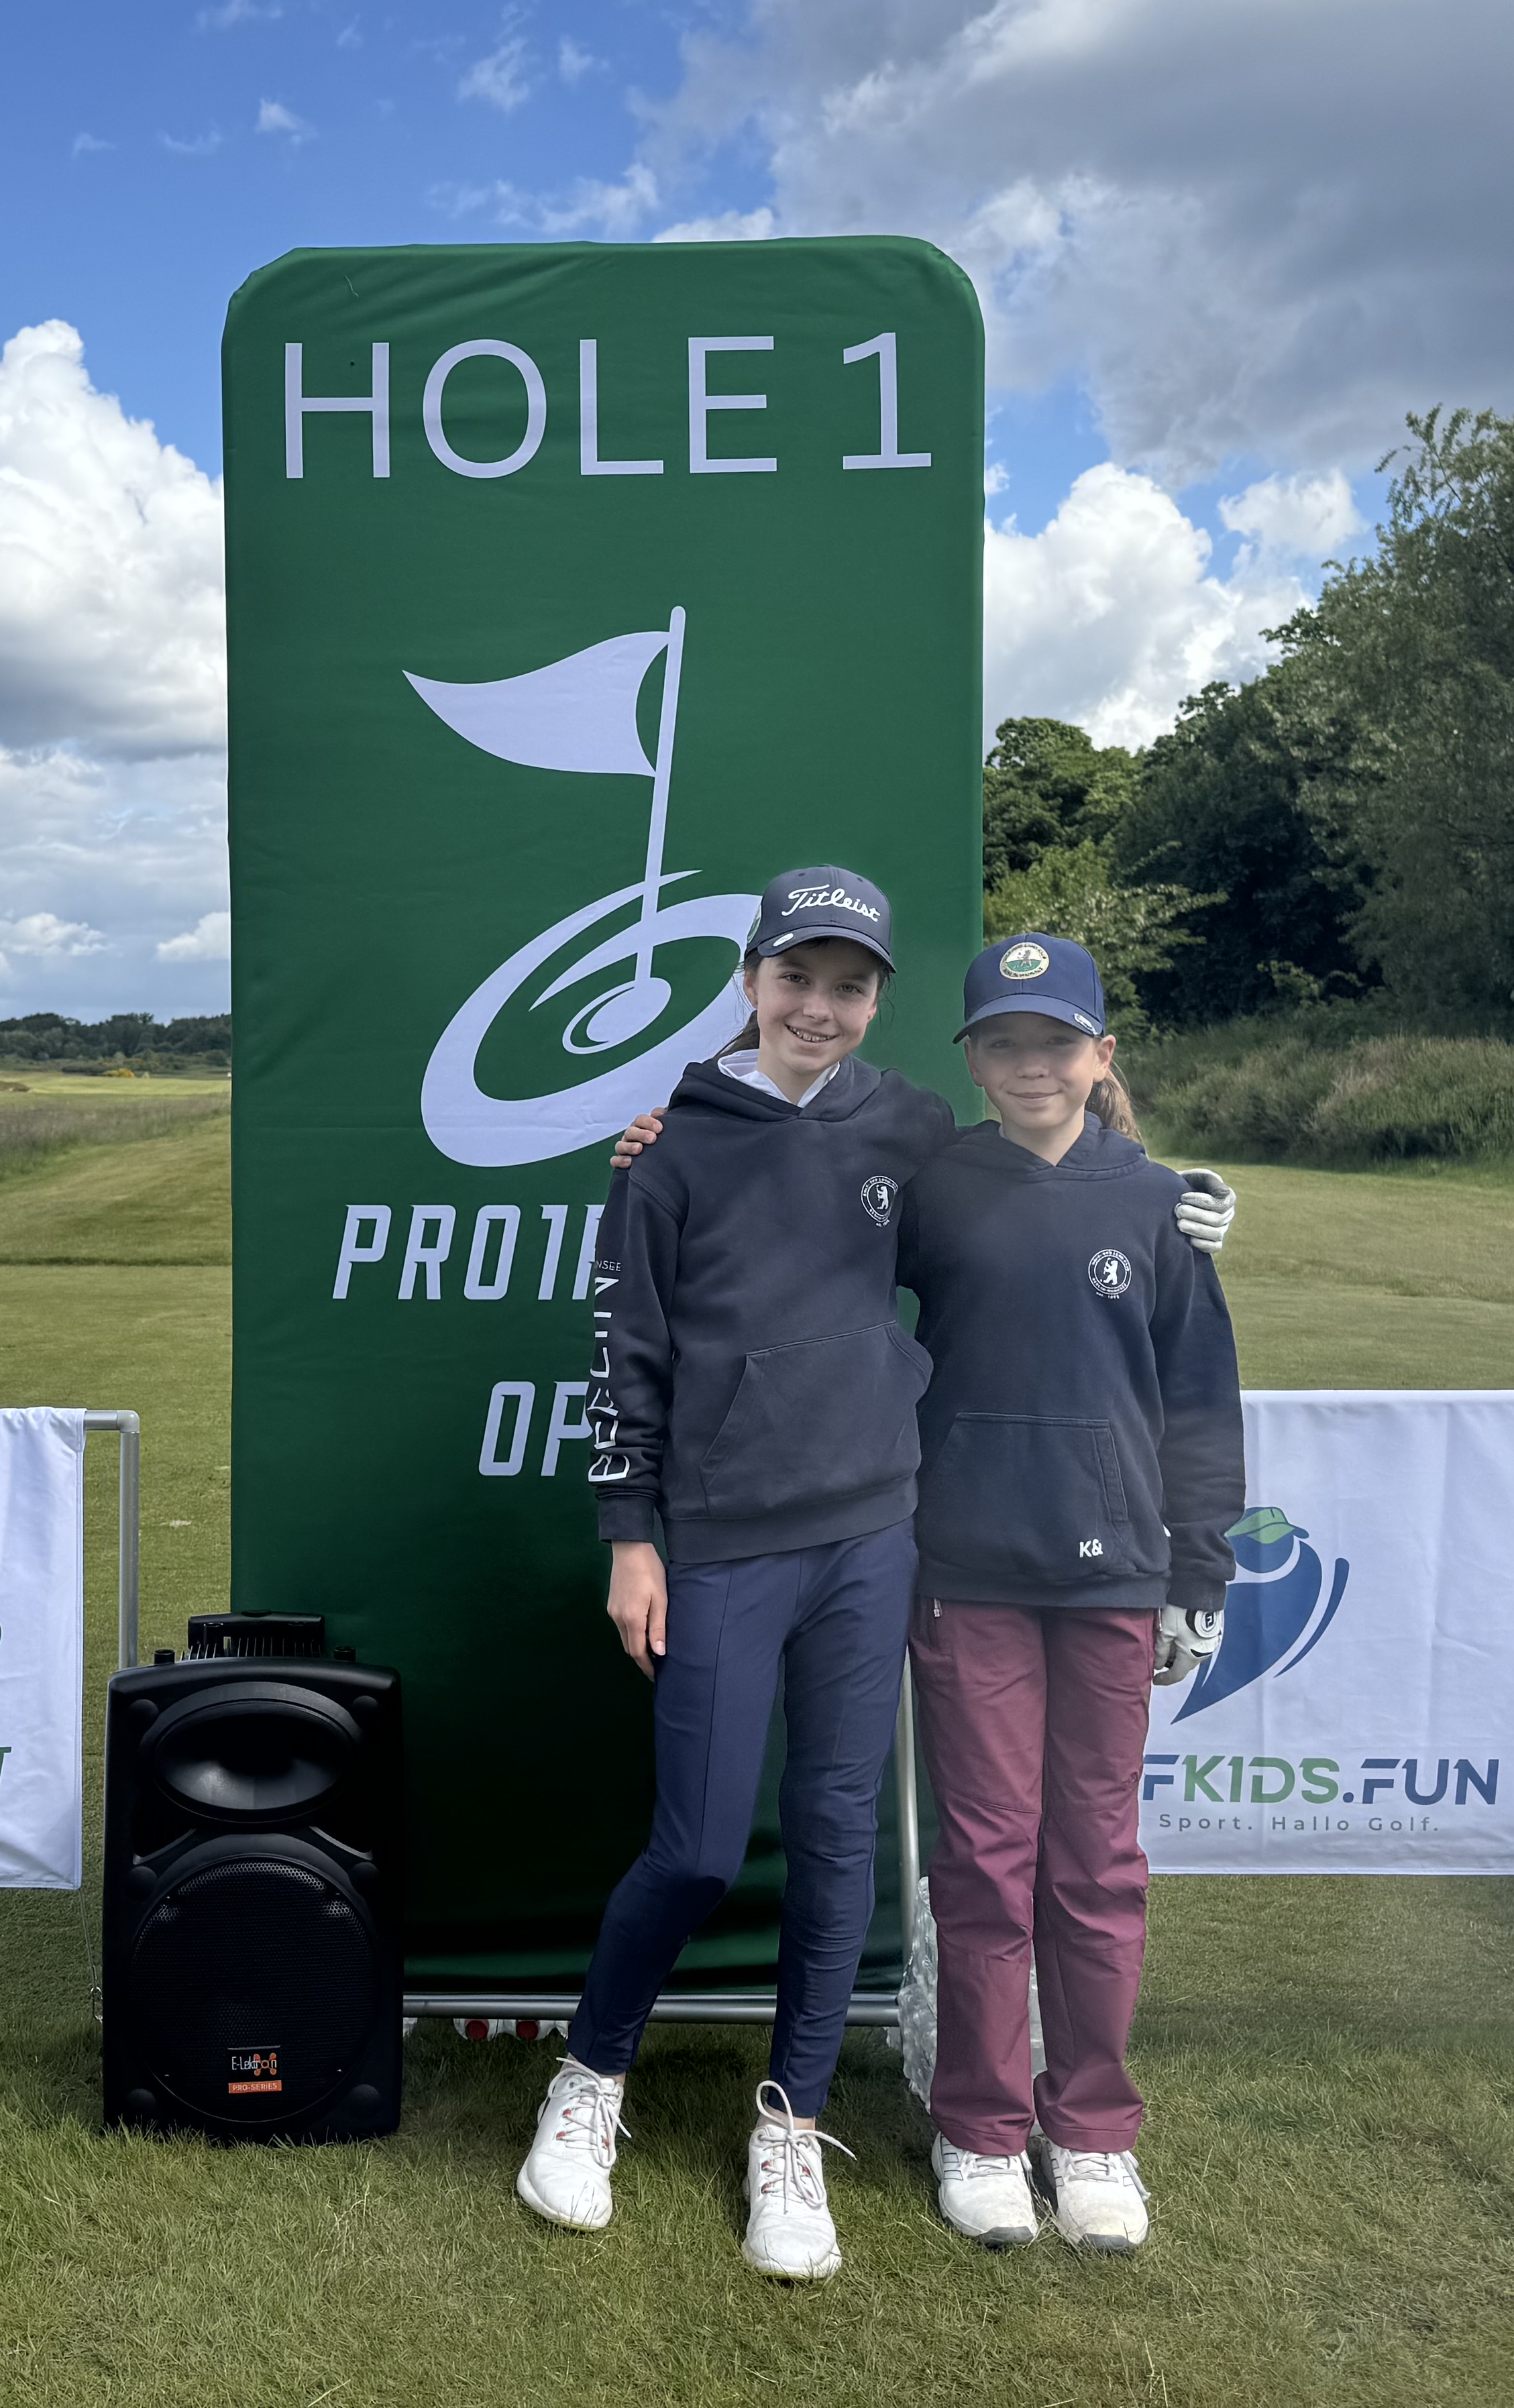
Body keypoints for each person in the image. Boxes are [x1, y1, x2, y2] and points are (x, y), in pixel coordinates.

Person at [508, 868, 1236, 2279]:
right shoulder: (667, 1147)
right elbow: (624, 1359)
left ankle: (794, 2121)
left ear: (879, 1002)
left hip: (876, 1537)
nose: (820, 1007)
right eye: (797, 978)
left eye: (849, 987)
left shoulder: (910, 1130)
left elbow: (1048, 1209)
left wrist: (1180, 1212)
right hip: (722, 1535)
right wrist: (630, 1536)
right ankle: (589, 2078)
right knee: (701, 1847)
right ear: (750, 980)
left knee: (839, 1838)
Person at [900, 932, 1241, 2256]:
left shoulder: (1159, 1206)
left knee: (1095, 1862)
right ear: (974, 1058)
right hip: (967, 1570)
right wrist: (664, 1141)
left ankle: (1091, 2129)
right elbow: (804, 1237)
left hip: (1115, 1579)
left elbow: (1200, 1407)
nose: (1030, 1064)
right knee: (986, 1860)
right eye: (1005, 1042)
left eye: (1056, 1042)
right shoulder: (933, 1188)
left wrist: (1200, 1571)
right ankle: (982, 2128)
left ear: (1101, 1056)